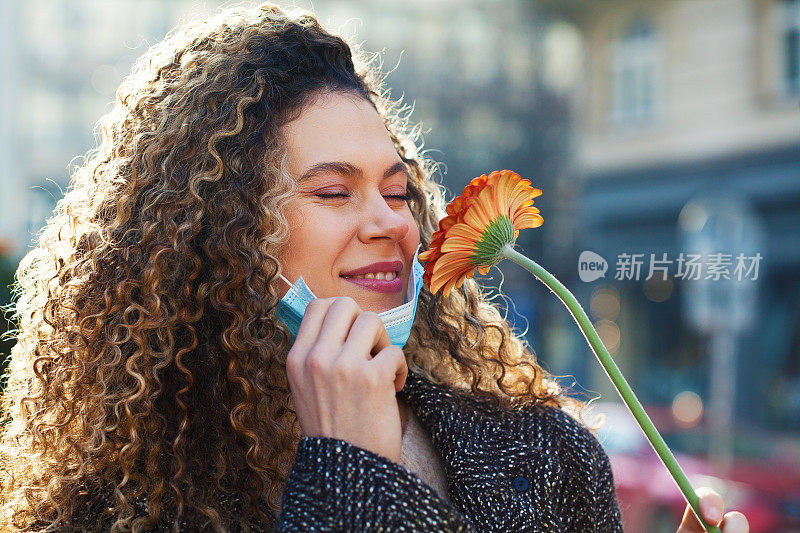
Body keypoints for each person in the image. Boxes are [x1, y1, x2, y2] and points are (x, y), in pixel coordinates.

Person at [0, 3, 749, 532]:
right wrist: (349, 475)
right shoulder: (109, 509)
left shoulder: (548, 453)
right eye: (333, 191)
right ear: (211, 238)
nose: (391, 221)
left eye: (398, 191)